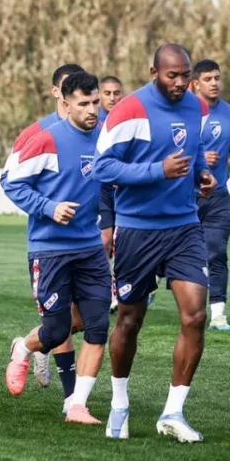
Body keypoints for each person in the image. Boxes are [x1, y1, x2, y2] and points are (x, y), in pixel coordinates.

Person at [93, 43, 217, 442]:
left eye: (185, 75)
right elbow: (102, 167)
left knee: (196, 315)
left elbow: (193, 152)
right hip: (138, 229)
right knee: (130, 319)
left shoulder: (196, 107)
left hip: (184, 226)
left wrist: (201, 176)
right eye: (172, 76)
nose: (180, 83)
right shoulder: (129, 110)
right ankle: (119, 403)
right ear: (153, 72)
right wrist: (157, 170)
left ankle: (173, 412)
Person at [3, 71, 111, 425]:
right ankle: (24, 348)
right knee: (56, 330)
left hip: (90, 248)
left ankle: (76, 404)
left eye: (96, 101)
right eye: (84, 104)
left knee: (97, 326)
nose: (93, 109)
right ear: (64, 104)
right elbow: (11, 182)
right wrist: (49, 208)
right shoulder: (46, 140)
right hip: (49, 250)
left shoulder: (106, 136)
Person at [192, 59, 230, 331]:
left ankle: (218, 314)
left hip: (217, 194)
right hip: (184, 196)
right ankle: (151, 286)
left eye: (217, 77)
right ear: (195, 84)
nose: (214, 83)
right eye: (208, 79)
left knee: (216, 251)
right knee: (175, 256)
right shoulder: (187, 112)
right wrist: (199, 157)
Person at [97, 75, 125, 312]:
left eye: (116, 93)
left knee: (123, 244)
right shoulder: (94, 123)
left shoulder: (126, 121)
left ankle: (121, 290)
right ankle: (102, 289)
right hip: (103, 192)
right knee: (105, 240)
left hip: (126, 191)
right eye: (107, 93)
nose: (112, 97)